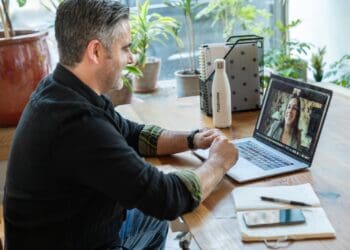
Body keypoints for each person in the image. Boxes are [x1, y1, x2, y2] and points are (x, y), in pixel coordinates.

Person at [3, 1, 238, 249]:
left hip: (71, 232)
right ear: (95, 51)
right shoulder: (77, 124)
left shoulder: (62, 89)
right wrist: (219, 162)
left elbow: (133, 133)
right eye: (125, 48)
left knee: (151, 216)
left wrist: (193, 139)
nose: (131, 57)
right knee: (161, 208)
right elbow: (167, 198)